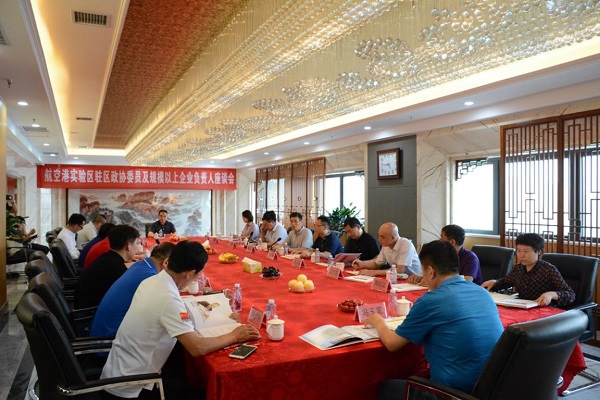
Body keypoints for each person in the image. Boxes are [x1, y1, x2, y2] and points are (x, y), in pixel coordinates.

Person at [101, 240, 261, 400]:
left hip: (120, 370)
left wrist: (221, 315)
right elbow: (197, 347)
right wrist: (234, 335)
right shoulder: (168, 298)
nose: (199, 277)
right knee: (201, 393)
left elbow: (174, 313)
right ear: (189, 274)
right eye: (199, 274)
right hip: (133, 386)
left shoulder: (153, 281)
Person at [365, 240, 503, 399]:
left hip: (452, 393)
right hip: (492, 388)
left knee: (388, 388)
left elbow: (392, 343)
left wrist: (378, 321)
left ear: (430, 272)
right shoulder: (482, 293)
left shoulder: (431, 300)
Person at [91, 242, 176, 337]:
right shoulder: (150, 277)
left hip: (103, 327)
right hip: (110, 337)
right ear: (166, 262)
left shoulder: (141, 265)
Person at [481, 233, 575, 307]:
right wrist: (495, 282)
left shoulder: (548, 269)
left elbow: (570, 294)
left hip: (544, 311)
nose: (521, 255)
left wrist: (551, 294)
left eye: (526, 251)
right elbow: (505, 282)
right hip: (523, 308)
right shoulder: (518, 268)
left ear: (538, 252)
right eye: (519, 251)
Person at [74, 225, 140, 309]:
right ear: (128, 246)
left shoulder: (108, 258)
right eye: (137, 243)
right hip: (91, 312)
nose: (138, 247)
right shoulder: (116, 268)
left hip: (85, 306)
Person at [409, 224, 482, 285]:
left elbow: (467, 280)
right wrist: (422, 277)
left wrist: (436, 281)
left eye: (442, 237)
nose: (439, 240)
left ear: (452, 242)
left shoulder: (470, 257)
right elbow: (437, 274)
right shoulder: (444, 254)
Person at [352, 222, 421, 277]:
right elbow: (376, 264)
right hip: (398, 278)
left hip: (415, 280)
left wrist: (374, 272)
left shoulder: (406, 244)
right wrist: (362, 264)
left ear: (393, 238)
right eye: (379, 236)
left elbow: (400, 270)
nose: (379, 239)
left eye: (382, 237)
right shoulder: (386, 246)